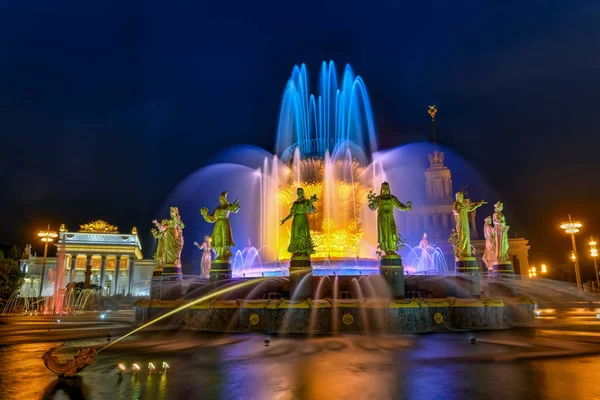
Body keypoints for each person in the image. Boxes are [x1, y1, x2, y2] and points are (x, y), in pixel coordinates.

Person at [280, 188, 317, 257]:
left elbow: (311, 210)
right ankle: (297, 251)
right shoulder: (295, 203)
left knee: (303, 234)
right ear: (297, 193)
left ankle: (304, 250)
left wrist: (311, 202)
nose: (299, 193)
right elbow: (292, 214)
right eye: (298, 192)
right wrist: (284, 220)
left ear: (303, 192)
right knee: (296, 235)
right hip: (296, 220)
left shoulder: (306, 201)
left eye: (301, 192)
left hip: (303, 218)